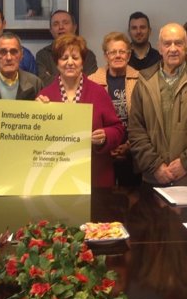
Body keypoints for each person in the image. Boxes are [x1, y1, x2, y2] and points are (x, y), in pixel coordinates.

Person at [128, 23, 187, 186]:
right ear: (159, 48)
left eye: (178, 43)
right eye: (167, 43)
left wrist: (186, 164)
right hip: (153, 178)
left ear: (186, 47)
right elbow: (135, 129)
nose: (173, 49)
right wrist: (155, 166)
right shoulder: (144, 82)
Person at [37, 34, 124, 188]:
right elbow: (36, 140)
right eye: (64, 58)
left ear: (82, 62)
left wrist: (105, 135)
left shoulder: (99, 92)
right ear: (57, 63)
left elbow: (118, 130)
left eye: (75, 57)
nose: (70, 62)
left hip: (95, 177)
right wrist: (37, 112)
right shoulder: (45, 96)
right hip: (55, 179)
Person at [89, 32, 141, 186]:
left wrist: (128, 145)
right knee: (105, 204)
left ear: (129, 55)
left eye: (122, 52)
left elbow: (147, 119)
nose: (117, 56)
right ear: (106, 56)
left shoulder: (142, 81)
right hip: (102, 153)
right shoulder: (92, 81)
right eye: (113, 52)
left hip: (134, 153)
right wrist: (107, 144)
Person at [35, 10, 97, 85]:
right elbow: (43, 82)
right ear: (51, 30)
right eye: (56, 24)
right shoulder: (42, 55)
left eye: (65, 23)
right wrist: (75, 80)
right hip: (51, 96)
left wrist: (53, 78)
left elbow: (90, 83)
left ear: (74, 28)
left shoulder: (88, 54)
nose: (61, 27)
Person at [0, 31, 43, 102]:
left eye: (14, 52)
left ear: (21, 55)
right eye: (3, 52)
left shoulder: (35, 83)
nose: (8, 58)